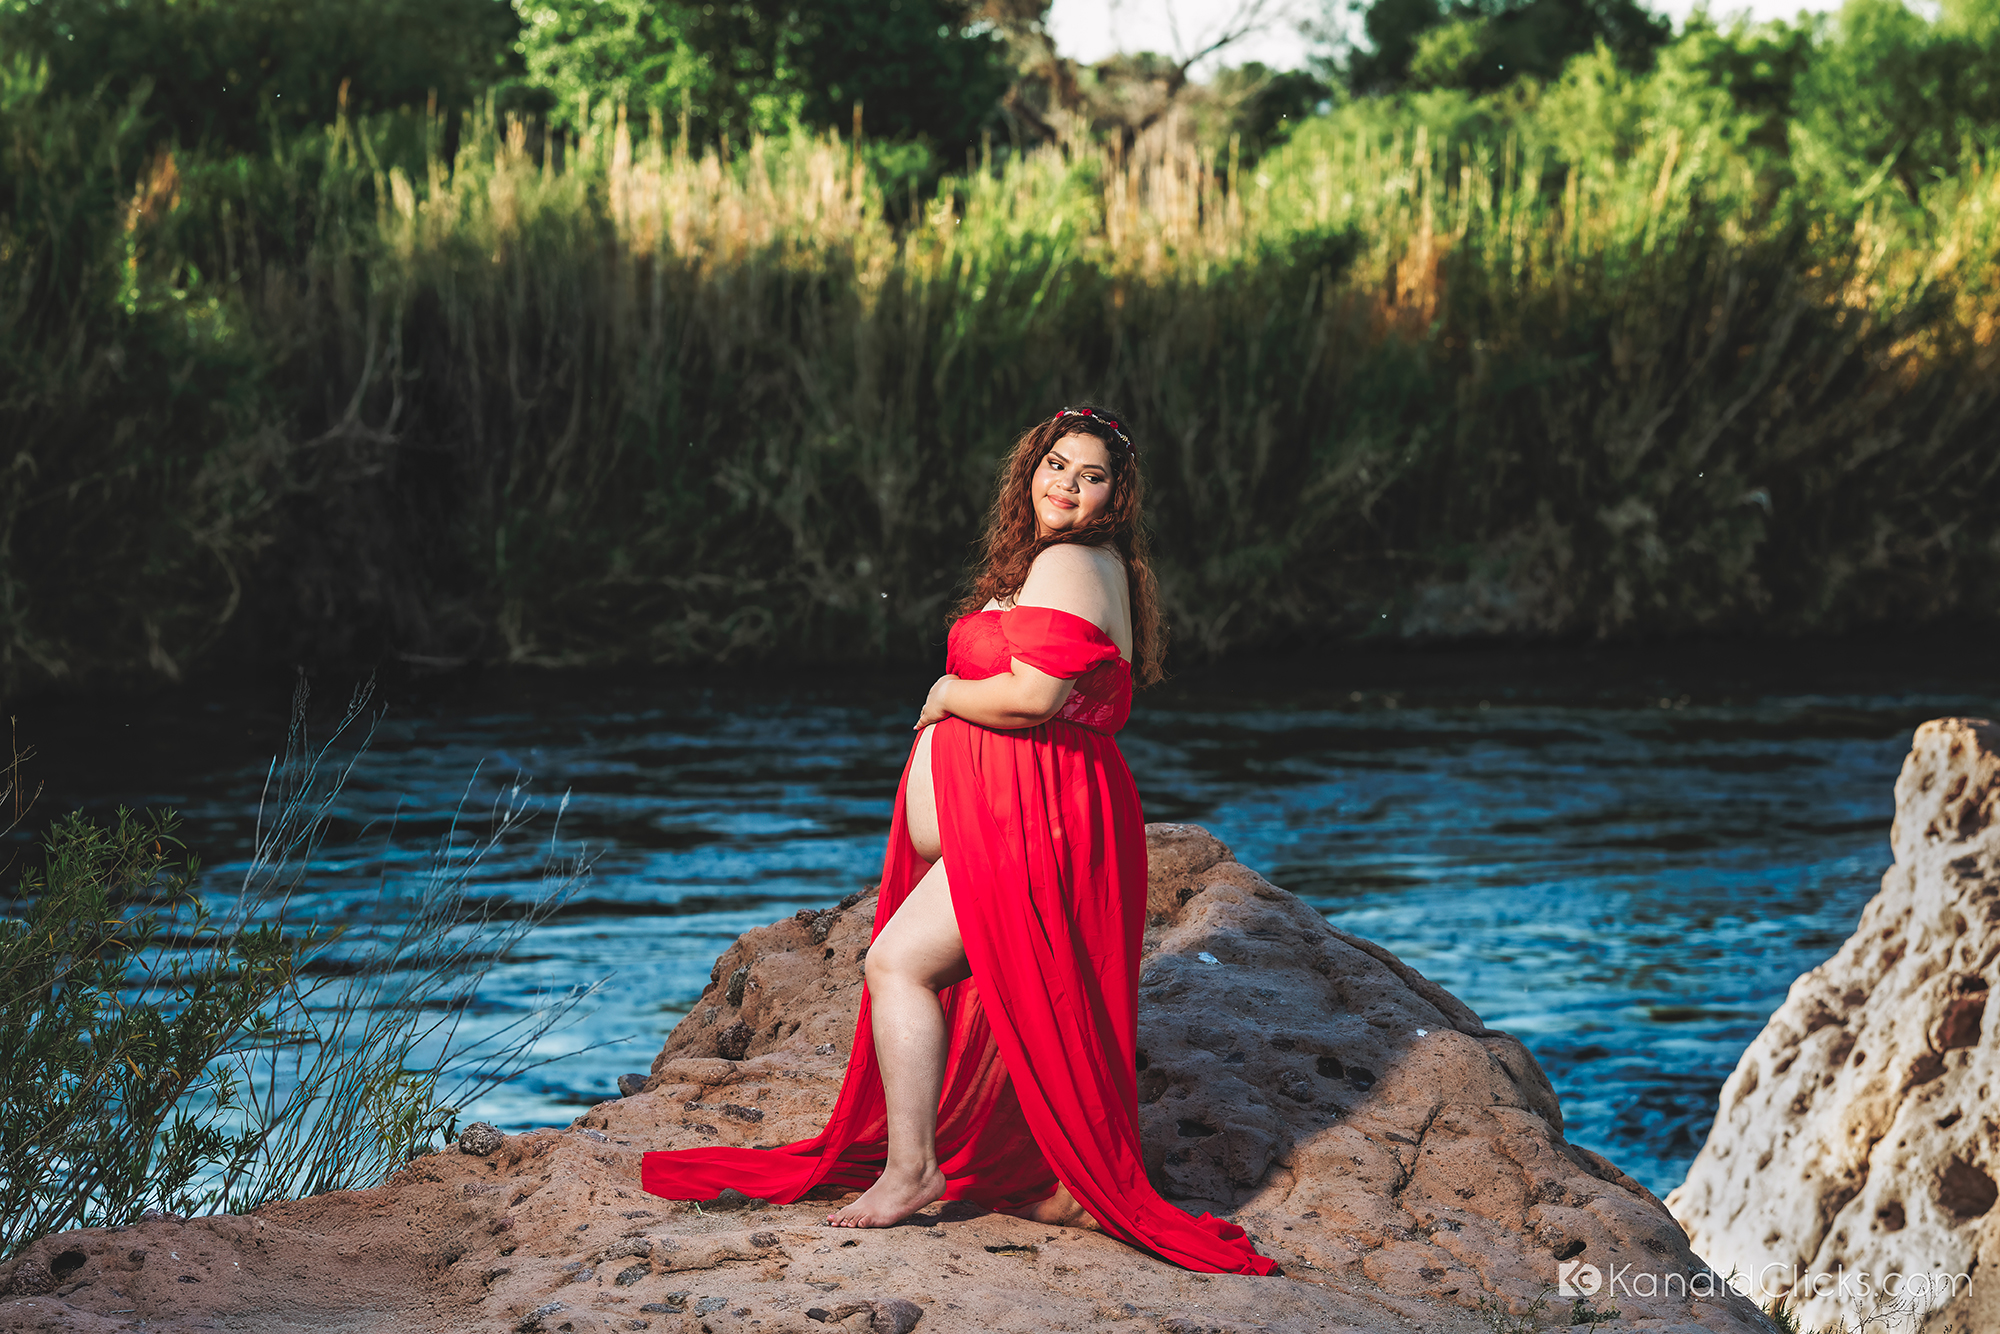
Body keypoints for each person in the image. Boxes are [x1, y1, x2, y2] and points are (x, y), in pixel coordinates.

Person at [638, 406, 1278, 1276]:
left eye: (1092, 477)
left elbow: (1033, 700)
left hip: (1040, 814)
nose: (1068, 485)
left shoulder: (1071, 562)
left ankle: (912, 1172)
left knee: (898, 964)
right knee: (1020, 994)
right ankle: (1061, 1184)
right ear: (1031, 469)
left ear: (1114, 498)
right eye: (1057, 465)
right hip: (1031, 809)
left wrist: (943, 695)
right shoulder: (1056, 564)